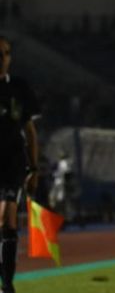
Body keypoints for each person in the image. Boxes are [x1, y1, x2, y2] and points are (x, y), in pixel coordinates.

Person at [0, 36, 40, 293]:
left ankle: (7, 284)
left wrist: (34, 168)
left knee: (7, 219)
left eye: (5, 53)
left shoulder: (19, 87)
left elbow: (30, 130)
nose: (1, 58)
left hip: (11, 163)